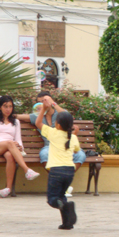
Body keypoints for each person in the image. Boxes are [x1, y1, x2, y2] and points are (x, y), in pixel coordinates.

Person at [35, 98, 80, 229]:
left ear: (58, 125)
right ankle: (67, 223)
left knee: (53, 199)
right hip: (70, 172)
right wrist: (74, 134)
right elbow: (76, 149)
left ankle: (66, 206)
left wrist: (43, 108)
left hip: (56, 171)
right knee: (61, 197)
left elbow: (38, 123)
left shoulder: (53, 133)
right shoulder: (73, 137)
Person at [17, 91, 86, 171]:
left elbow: (67, 116)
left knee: (81, 155)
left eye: (45, 101)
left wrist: (53, 103)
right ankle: (55, 177)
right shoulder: (37, 116)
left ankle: (68, 175)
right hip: (49, 147)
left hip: (65, 146)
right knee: (44, 154)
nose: (43, 104)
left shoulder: (59, 114)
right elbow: (17, 116)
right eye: (40, 102)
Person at [0, 95, 40, 198]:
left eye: (10, 106)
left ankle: (8, 189)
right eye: (5, 106)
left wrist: (20, 148)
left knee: (10, 156)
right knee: (10, 143)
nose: (8, 109)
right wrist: (8, 142)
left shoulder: (16, 121)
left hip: (9, 148)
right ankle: (27, 170)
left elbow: (18, 139)